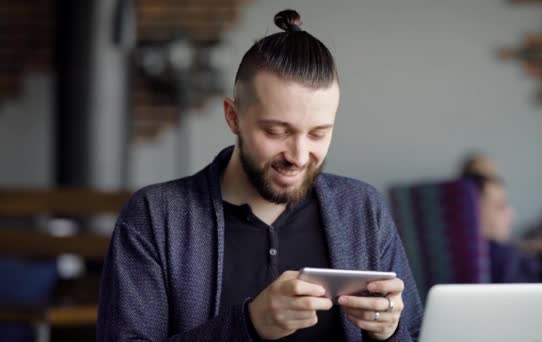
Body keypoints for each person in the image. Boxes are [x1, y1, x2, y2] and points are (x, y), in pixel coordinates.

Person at [97, 9, 423, 341]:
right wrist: (249, 325)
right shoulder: (154, 216)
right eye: (277, 132)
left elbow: (414, 332)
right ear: (233, 116)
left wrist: (389, 332)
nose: (298, 156)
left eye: (318, 134)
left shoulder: (363, 209)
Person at [462, 168, 542, 283]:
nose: (512, 215)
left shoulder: (453, 258)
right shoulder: (502, 257)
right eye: (500, 206)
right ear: (472, 214)